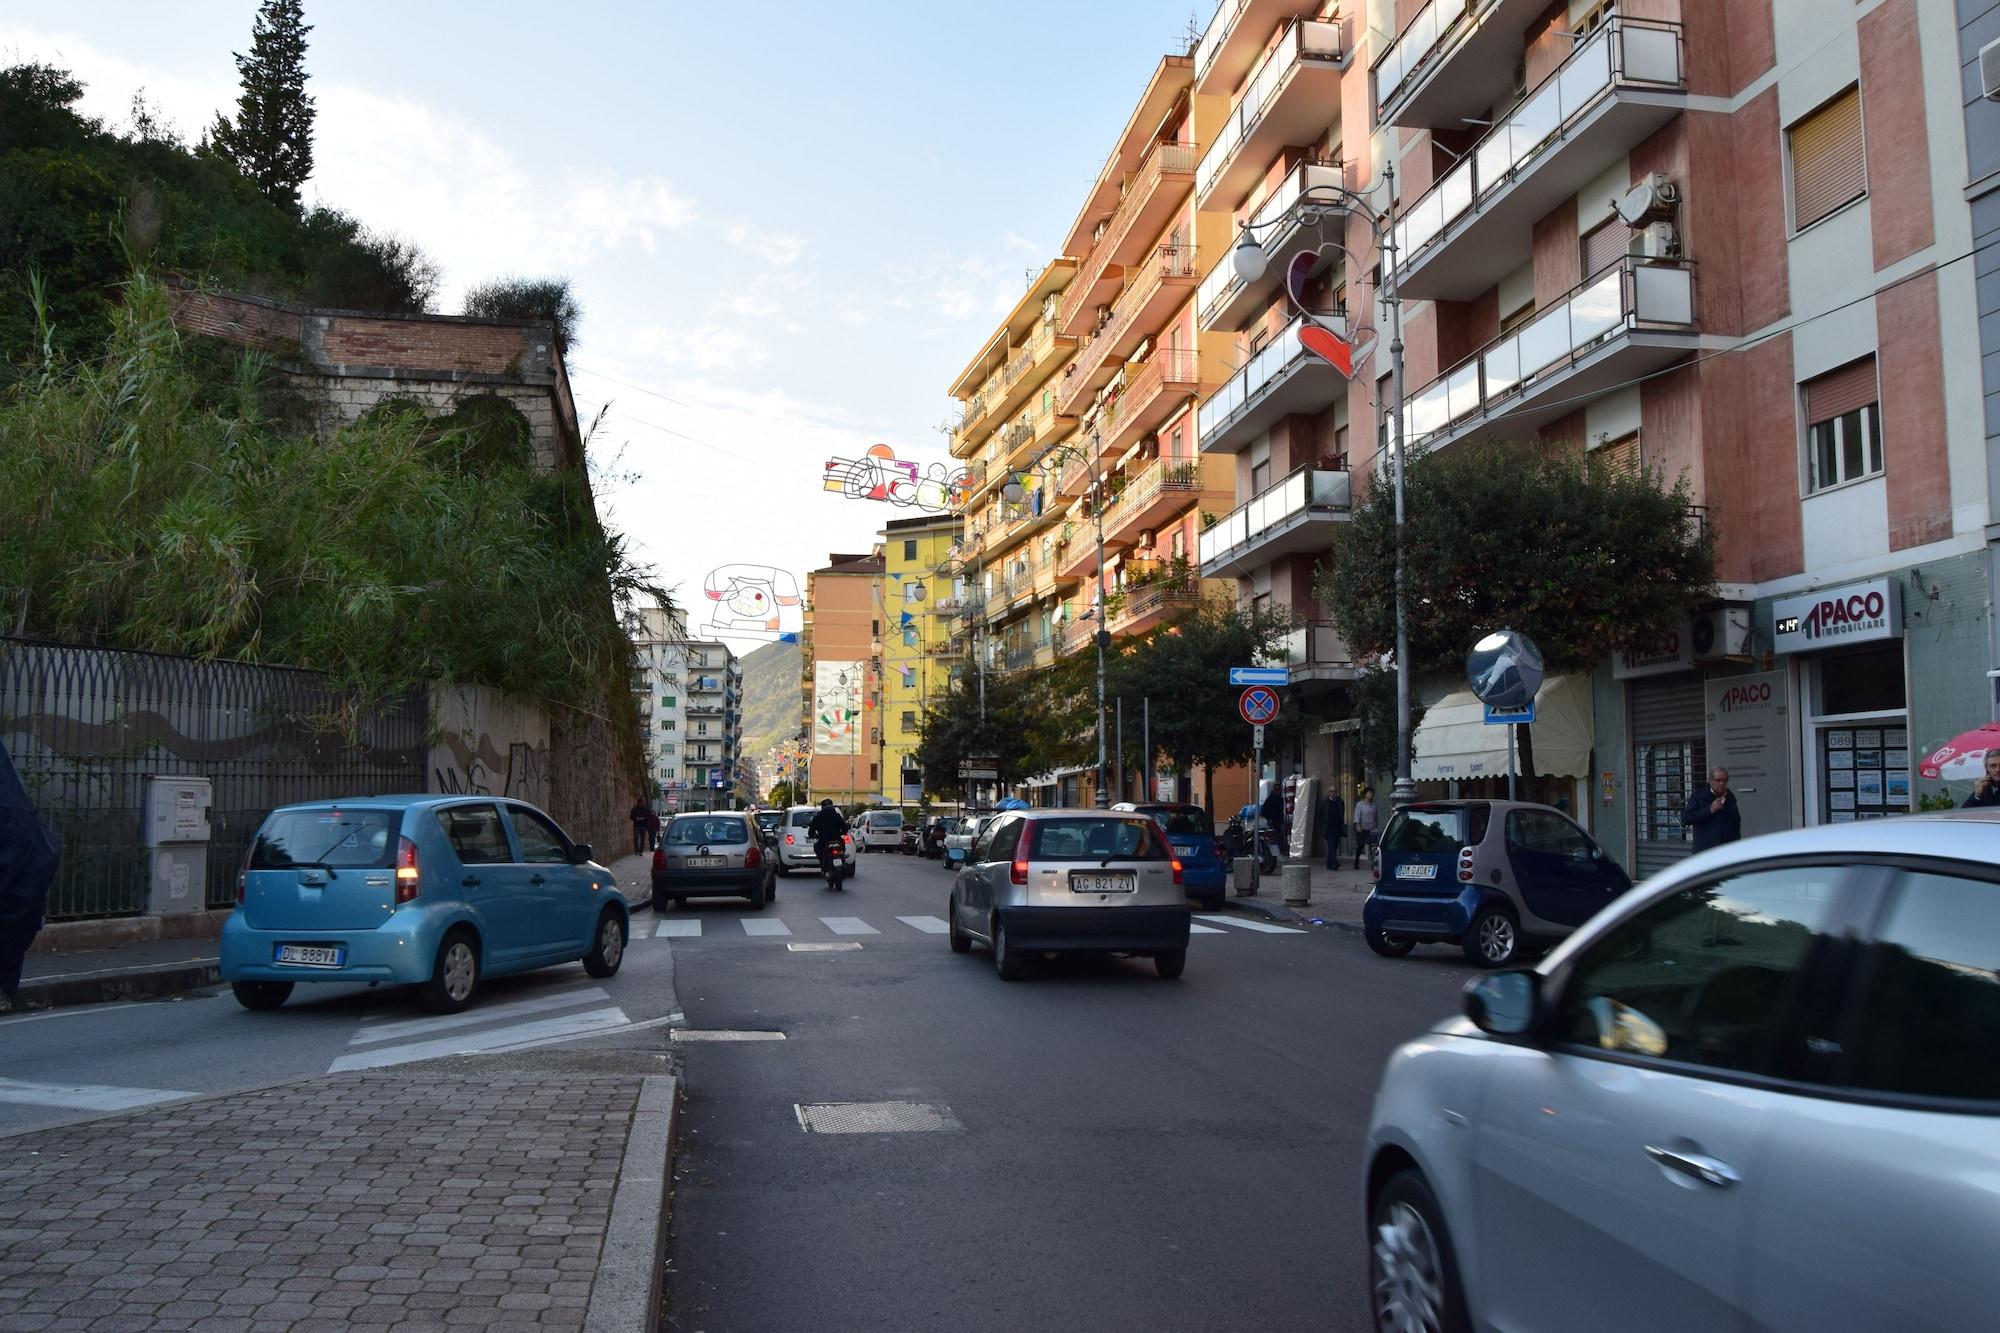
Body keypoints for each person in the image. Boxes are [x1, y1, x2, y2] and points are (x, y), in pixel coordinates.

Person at [1681, 767, 1742, 851]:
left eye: (1724, 780)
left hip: (1727, 849)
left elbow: (1736, 822)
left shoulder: (1730, 797)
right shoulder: (1699, 796)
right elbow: (1687, 818)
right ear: (1710, 781)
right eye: (1718, 780)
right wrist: (1710, 810)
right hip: (1705, 849)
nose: (1721, 783)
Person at [806, 798, 851, 876]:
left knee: (817, 847)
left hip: (824, 841)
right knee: (842, 849)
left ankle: (823, 867)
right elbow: (845, 828)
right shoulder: (837, 816)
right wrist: (841, 833)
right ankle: (841, 862)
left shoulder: (818, 817)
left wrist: (813, 835)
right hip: (837, 840)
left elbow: (811, 831)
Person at [1351, 786, 1378, 871]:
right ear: (1365, 794)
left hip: (1371, 828)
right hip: (1362, 828)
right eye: (1369, 793)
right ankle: (1356, 861)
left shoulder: (1374, 805)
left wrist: (1376, 826)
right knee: (1360, 845)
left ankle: (1373, 864)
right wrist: (1357, 825)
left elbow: (1376, 817)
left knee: (1373, 847)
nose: (1371, 794)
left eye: (1372, 793)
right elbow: (1357, 815)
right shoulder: (1360, 804)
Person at [1322, 786, 1347, 871]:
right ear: (1329, 793)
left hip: (1337, 828)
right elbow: (1320, 815)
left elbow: (1342, 814)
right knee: (1331, 846)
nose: (1333, 793)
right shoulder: (1324, 802)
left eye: (1334, 791)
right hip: (1328, 828)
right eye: (1331, 791)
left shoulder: (1340, 802)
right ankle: (1335, 863)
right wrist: (1322, 828)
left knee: (1334, 847)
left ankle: (1329, 863)